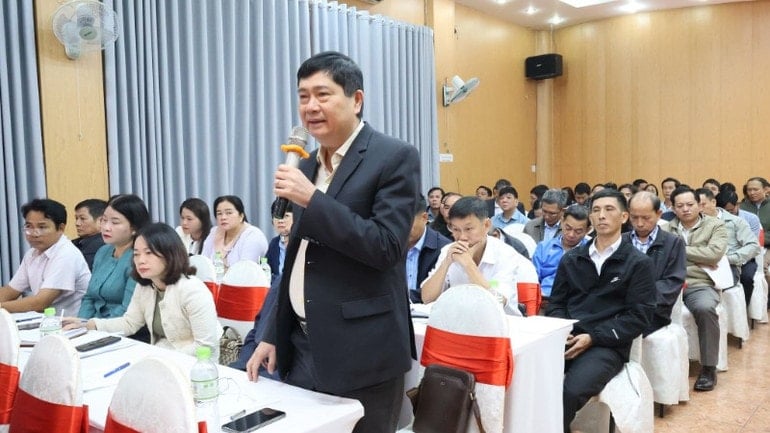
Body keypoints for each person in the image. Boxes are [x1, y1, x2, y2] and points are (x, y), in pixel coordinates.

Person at [246, 51, 421, 433]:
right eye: (303, 95)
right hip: (303, 346)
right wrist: (272, 334)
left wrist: (313, 199)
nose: (310, 106)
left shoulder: (393, 157)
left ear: (356, 100)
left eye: (322, 94)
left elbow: (387, 247)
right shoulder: (306, 164)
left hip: (362, 352)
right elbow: (295, 258)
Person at [545, 189, 655, 432]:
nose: (601, 216)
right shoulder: (572, 259)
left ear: (624, 217)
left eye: (609, 210)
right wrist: (563, 330)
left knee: (570, 391)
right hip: (567, 338)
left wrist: (593, 337)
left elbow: (639, 317)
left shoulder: (638, 263)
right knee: (533, 380)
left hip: (606, 345)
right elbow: (556, 304)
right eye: (596, 210)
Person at [65, 223, 222, 359]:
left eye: (149, 253)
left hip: (196, 367)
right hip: (161, 360)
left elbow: (206, 347)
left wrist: (159, 356)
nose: (141, 260)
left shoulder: (192, 290)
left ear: (169, 254)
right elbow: (129, 323)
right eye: (136, 254)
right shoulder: (145, 286)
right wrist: (88, 324)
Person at [421, 197, 535, 315]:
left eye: (468, 229)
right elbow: (427, 299)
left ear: (486, 225)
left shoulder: (506, 254)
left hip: (502, 326)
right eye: (455, 229)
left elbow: (496, 302)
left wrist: (469, 265)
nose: (462, 237)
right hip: (460, 322)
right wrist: (446, 263)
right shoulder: (448, 251)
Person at [662, 186, 727, 391]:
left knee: (705, 308)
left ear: (699, 205)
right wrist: (698, 255)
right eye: (680, 206)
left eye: (690, 205)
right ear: (672, 207)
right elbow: (660, 258)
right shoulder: (664, 228)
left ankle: (708, 368)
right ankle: (658, 367)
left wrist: (678, 249)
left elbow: (713, 254)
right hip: (669, 283)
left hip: (699, 283)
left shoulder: (716, 226)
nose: (686, 209)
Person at [0, 198, 90, 314]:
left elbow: (40, 303)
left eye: (42, 227)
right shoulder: (32, 254)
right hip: (47, 323)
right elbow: (10, 291)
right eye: (29, 227)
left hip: (73, 325)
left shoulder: (66, 254)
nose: (34, 233)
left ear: (61, 228)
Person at [78, 194, 150, 320]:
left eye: (115, 222)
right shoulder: (103, 252)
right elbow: (89, 297)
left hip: (124, 329)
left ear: (134, 228)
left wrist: (94, 328)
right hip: (93, 327)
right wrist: (81, 324)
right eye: (104, 220)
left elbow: (127, 309)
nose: (105, 227)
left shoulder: (140, 258)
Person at [624, 191, 686, 335]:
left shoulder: (673, 243)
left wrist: (638, 300)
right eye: (634, 217)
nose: (639, 223)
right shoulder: (621, 241)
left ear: (658, 214)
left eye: (646, 218)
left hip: (653, 311)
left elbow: (672, 282)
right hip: (619, 307)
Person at [697, 188, 760, 306]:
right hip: (700, 266)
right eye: (697, 205)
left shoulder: (736, 222)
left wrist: (728, 259)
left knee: (710, 288)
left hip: (728, 266)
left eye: (703, 204)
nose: (700, 209)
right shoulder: (694, 223)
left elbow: (753, 246)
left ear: (714, 202)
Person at [532, 204, 590, 298]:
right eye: (568, 228)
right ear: (562, 222)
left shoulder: (590, 251)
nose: (571, 234)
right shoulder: (544, 247)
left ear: (588, 230)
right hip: (545, 297)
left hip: (576, 301)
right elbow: (533, 278)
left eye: (578, 231)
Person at [201, 195, 268, 272]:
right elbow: (204, 263)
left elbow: (245, 270)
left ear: (241, 216)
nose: (223, 217)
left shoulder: (253, 236)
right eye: (219, 213)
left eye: (229, 213)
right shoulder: (214, 232)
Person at [406, 195, 451, 303]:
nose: (402, 229)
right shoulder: (389, 244)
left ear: (424, 218)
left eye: (408, 223)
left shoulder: (443, 248)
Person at [72, 198, 107, 270]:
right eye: (76, 218)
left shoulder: (103, 246)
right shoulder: (73, 243)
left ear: (101, 221)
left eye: (83, 219)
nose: (77, 223)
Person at [266, 200, 294, 283]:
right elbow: (266, 271)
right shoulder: (274, 243)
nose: (280, 220)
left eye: (286, 216)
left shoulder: (303, 243)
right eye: (277, 216)